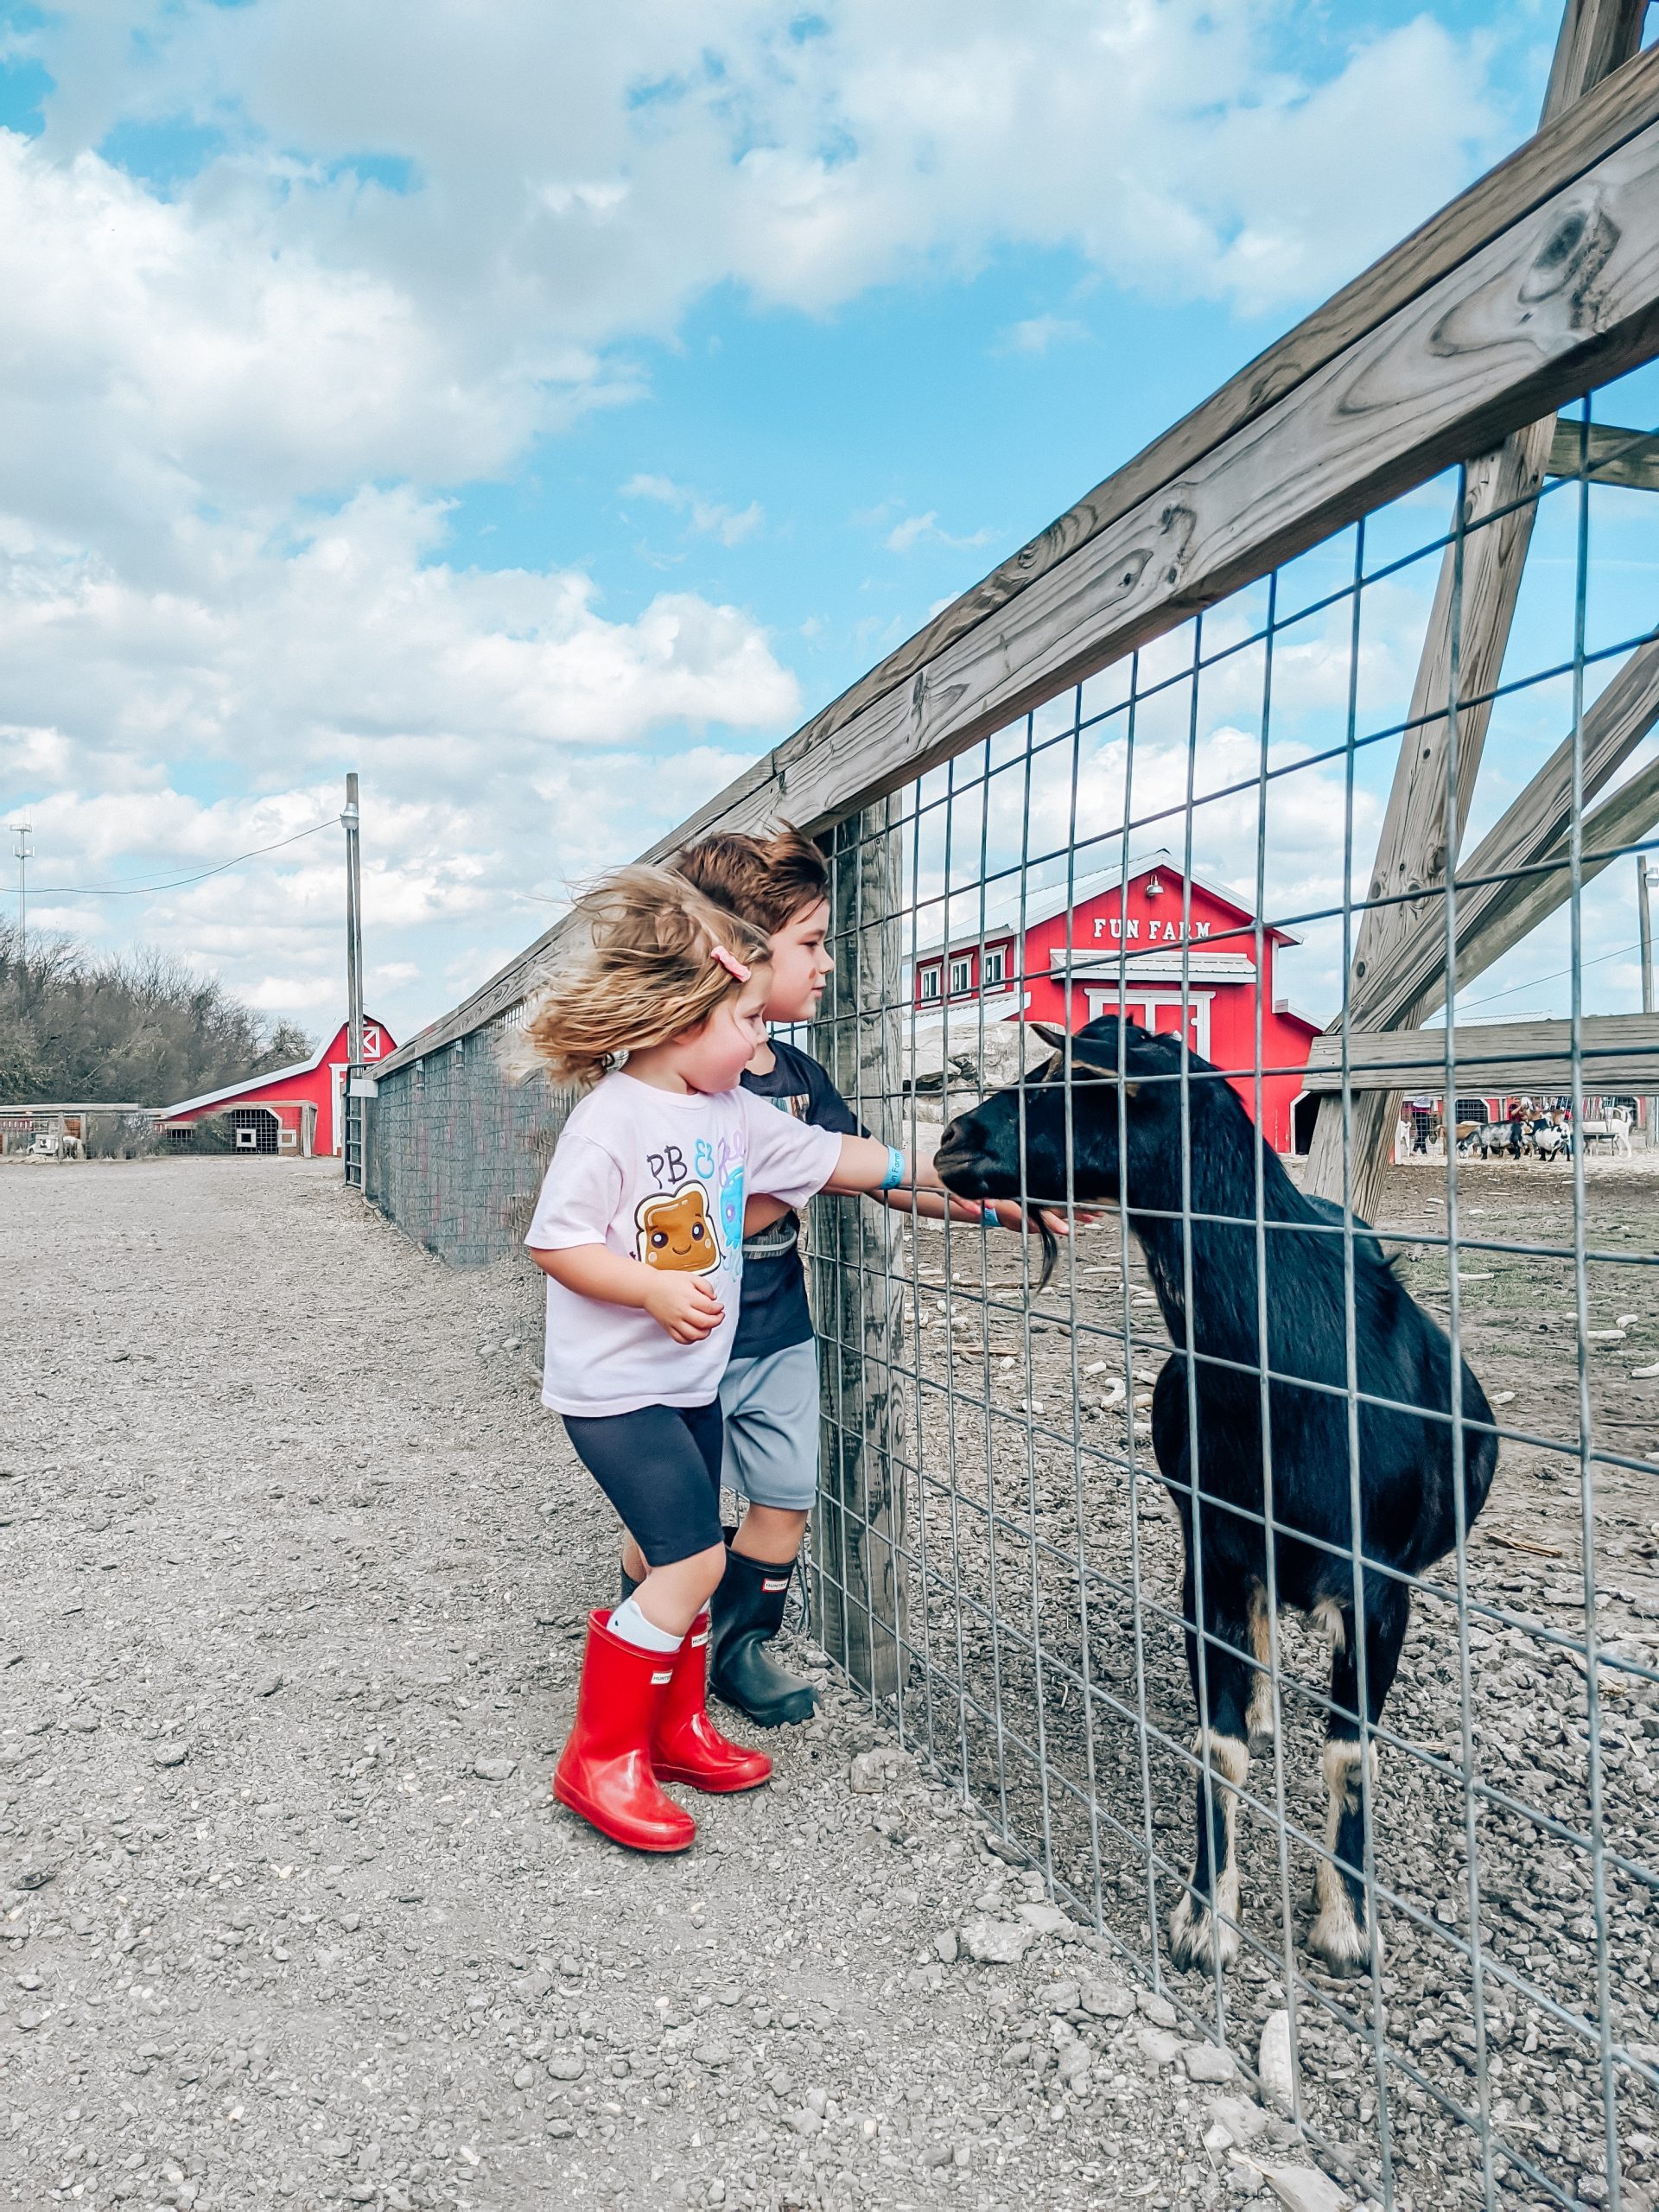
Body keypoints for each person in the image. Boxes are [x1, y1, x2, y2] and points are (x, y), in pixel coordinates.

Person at [520, 862, 947, 1853]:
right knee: (694, 1557)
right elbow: (557, 1239)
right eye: (748, 1021)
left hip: (687, 1383)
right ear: (683, 1018)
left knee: (692, 1557)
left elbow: (864, 1163)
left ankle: (674, 1730)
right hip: (615, 1391)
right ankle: (601, 1757)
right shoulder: (614, 1119)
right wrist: (650, 1286)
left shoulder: (735, 1115)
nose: (764, 1043)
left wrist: (995, 1176)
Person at [673, 825, 1072, 1727]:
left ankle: (737, 1649)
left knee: (785, 1498)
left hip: (776, 1331)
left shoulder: (804, 1080)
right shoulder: (673, 1083)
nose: (825, 966)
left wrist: (996, 1201)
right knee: (675, 1528)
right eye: (809, 944)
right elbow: (688, 1214)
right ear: (733, 951)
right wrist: (801, 1179)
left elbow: (885, 1168)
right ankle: (656, 1653)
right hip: (679, 1340)